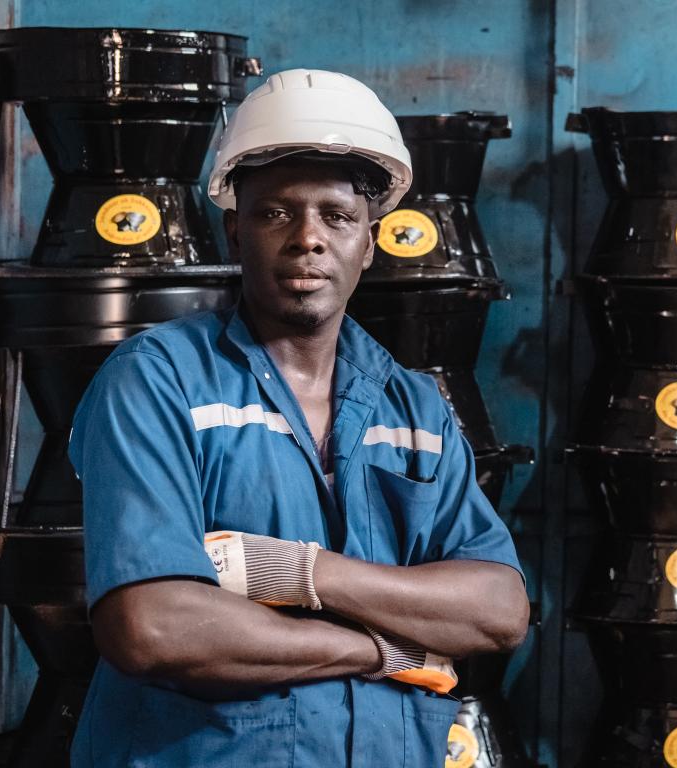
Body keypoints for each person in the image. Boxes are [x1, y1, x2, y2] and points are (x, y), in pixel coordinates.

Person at [67, 69, 529, 767]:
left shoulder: (415, 407)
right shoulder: (159, 380)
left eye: (337, 216)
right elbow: (153, 627)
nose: (307, 238)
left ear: (369, 243)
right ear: (234, 233)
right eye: (276, 212)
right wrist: (378, 648)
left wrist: (301, 573)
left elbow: (496, 609)